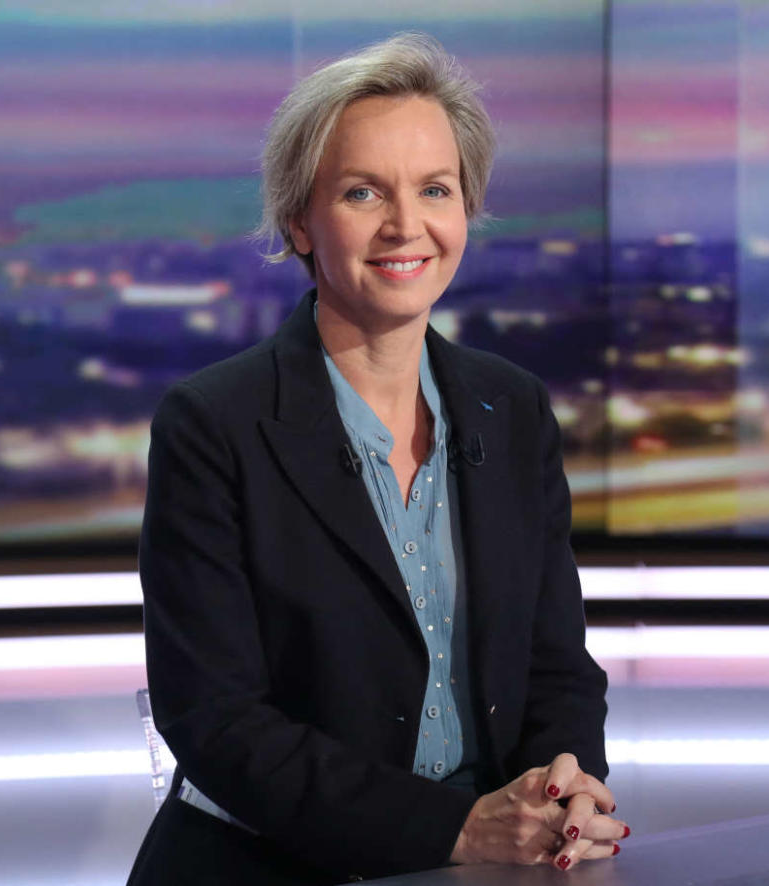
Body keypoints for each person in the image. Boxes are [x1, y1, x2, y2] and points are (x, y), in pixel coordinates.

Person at [126, 32, 625, 886]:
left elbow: (554, 664)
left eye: (435, 189)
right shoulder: (213, 425)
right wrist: (457, 828)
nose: (407, 225)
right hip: (265, 865)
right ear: (299, 221)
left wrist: (566, 779)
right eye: (363, 192)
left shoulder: (514, 410)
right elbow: (215, 719)